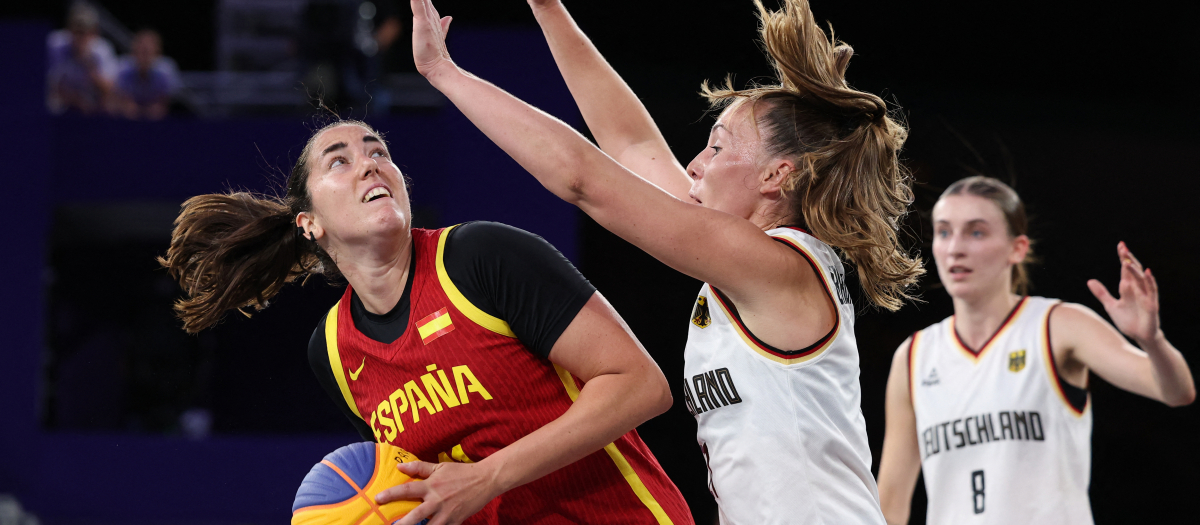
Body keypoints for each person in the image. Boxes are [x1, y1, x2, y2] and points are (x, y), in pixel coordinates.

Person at [407, 0, 923, 523]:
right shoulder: (746, 261)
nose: (695, 164)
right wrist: (548, 8)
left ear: (777, 176)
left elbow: (584, 179)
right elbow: (630, 145)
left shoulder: (777, 267)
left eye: (717, 148)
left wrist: (446, 74)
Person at [159, 119, 694, 525]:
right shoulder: (334, 352)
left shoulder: (479, 257)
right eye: (339, 161)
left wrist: (488, 477)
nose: (370, 163)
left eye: (379, 152)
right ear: (310, 224)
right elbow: (421, 489)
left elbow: (642, 386)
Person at [875, 176, 1195, 524]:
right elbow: (890, 503)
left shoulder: (1059, 325)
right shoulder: (914, 356)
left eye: (976, 232)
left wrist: (1152, 340)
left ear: (1018, 248)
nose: (955, 248)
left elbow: (1177, 391)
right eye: (944, 231)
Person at [46, 2, 118, 115]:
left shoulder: (102, 50)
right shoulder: (55, 44)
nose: (81, 37)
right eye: (77, 31)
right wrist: (73, 99)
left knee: (111, 104)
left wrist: (89, 65)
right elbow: (47, 83)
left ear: (94, 32)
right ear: (69, 29)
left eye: (85, 31)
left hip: (90, 105)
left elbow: (110, 89)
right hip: (61, 103)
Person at [115, 29, 182, 120]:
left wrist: (159, 106)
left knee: (157, 112)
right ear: (134, 50)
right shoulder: (123, 67)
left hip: (159, 118)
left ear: (157, 52)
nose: (144, 57)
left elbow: (167, 101)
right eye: (141, 51)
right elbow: (121, 99)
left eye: (147, 52)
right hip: (129, 115)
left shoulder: (166, 70)